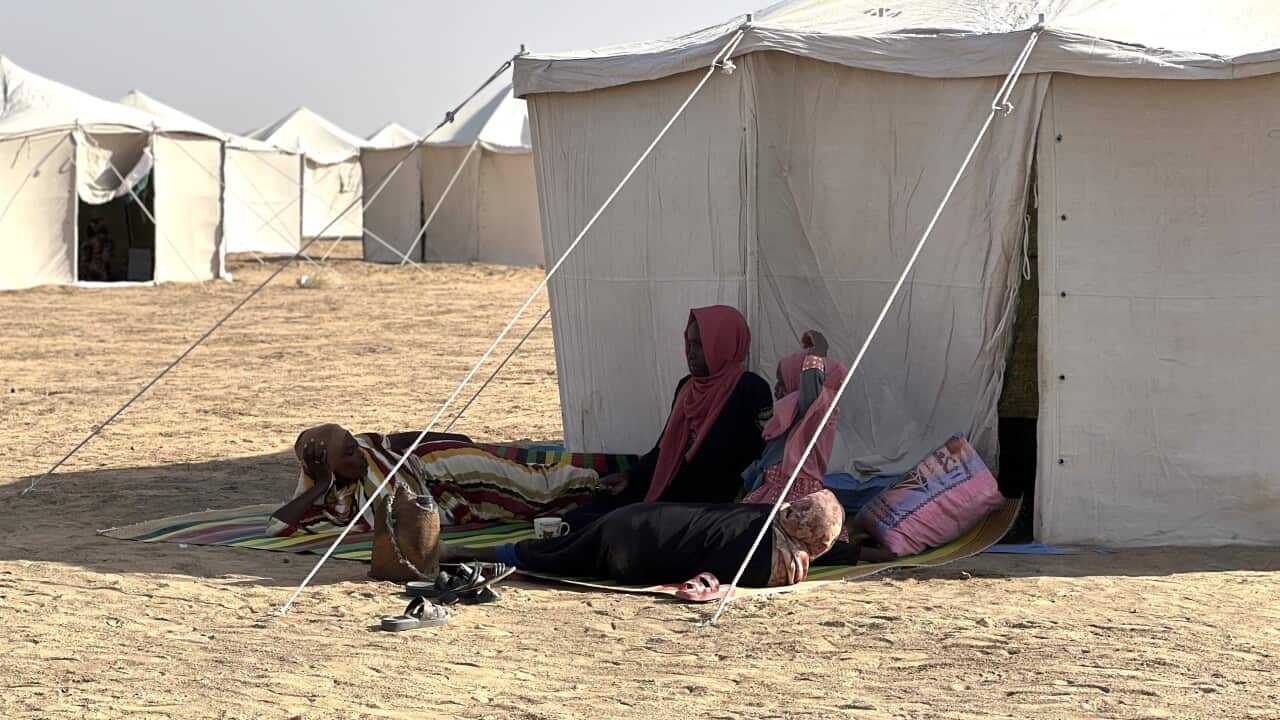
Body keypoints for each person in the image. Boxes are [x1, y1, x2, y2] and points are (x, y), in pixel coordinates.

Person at [567, 305, 773, 528]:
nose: (691, 353)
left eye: (700, 345)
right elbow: (663, 449)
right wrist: (630, 476)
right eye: (690, 344)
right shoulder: (687, 387)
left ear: (724, 345)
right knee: (583, 515)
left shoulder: (750, 389)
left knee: (619, 523)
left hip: (707, 504)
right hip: (668, 486)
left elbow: (759, 455)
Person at [439, 490, 846, 588]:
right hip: (640, 563)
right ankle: (460, 556)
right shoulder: (781, 567)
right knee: (557, 556)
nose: (790, 506)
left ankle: (455, 553)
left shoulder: (763, 515)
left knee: (546, 551)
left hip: (638, 524)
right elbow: (829, 551)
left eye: (799, 508)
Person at [267, 425, 600, 536]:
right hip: (449, 493)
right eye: (349, 454)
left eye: (355, 445)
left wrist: (452, 438)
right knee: (523, 505)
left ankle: (599, 483)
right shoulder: (328, 496)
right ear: (326, 468)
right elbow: (277, 527)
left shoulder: (365, 449)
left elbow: (396, 440)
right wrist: (323, 484)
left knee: (537, 489)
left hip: (450, 467)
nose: (360, 455)